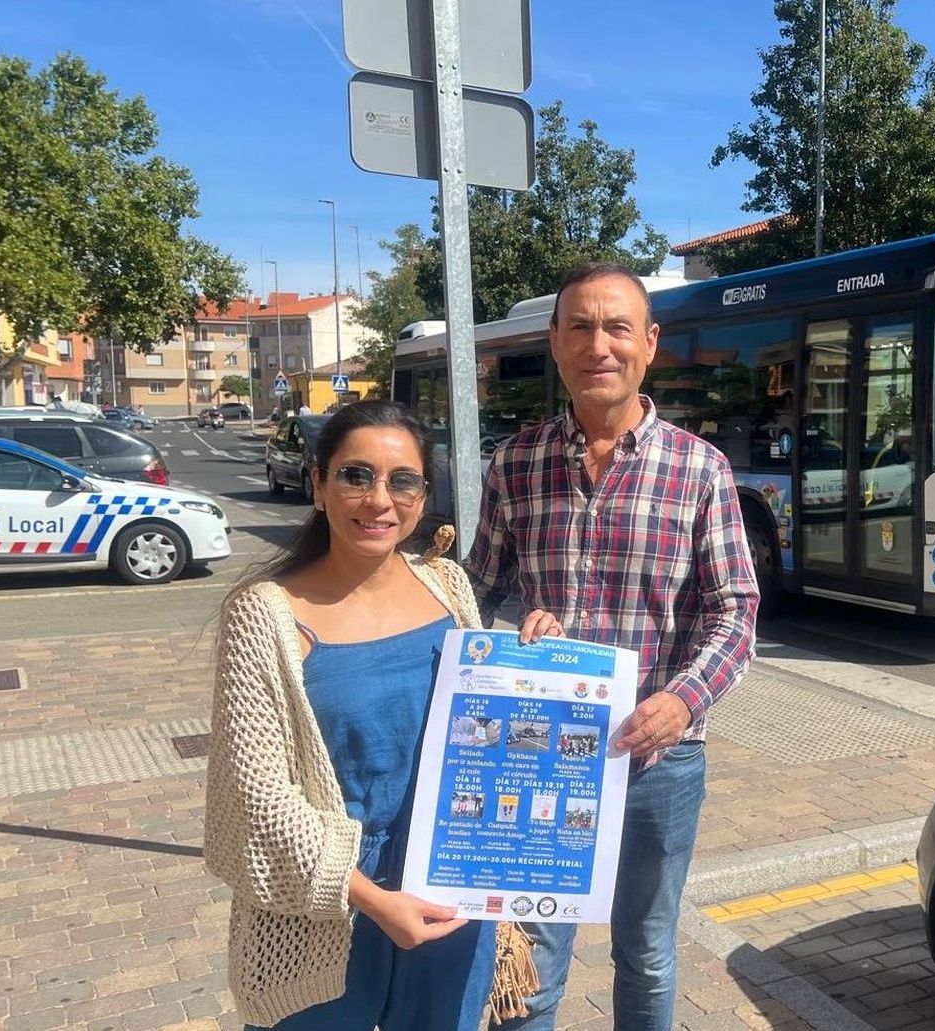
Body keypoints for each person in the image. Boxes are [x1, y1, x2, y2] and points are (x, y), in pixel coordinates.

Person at [468, 262, 760, 1031]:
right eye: (581, 326)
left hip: (659, 762)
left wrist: (680, 700)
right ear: (555, 342)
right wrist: (512, 642)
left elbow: (735, 614)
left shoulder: (701, 470)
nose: (600, 344)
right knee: (528, 955)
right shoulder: (515, 464)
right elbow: (472, 594)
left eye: (618, 326)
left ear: (649, 343)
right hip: (540, 759)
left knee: (650, 952)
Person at [204, 400, 535, 1029]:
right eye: (356, 476)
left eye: (401, 480)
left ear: (423, 494)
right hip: (322, 909)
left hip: (451, 887)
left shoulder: (448, 585)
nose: (378, 499)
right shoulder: (264, 614)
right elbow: (257, 801)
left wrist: (536, 664)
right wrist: (376, 900)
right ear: (319, 485)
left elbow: (483, 730)